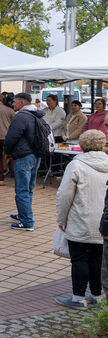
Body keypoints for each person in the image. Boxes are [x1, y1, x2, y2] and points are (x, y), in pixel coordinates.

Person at [54, 130, 108, 309]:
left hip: (81, 219)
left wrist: (61, 220)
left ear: (82, 146)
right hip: (103, 222)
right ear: (102, 146)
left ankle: (78, 297)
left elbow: (64, 196)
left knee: (79, 259)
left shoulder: (76, 165)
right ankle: (97, 294)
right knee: (97, 259)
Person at [4, 93, 46, 231]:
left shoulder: (21, 116)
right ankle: (23, 214)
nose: (13, 104)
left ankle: (27, 221)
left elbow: (11, 137)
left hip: (24, 156)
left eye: (15, 102)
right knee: (28, 189)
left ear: (22, 103)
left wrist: (7, 151)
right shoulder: (37, 114)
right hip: (36, 155)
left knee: (22, 189)